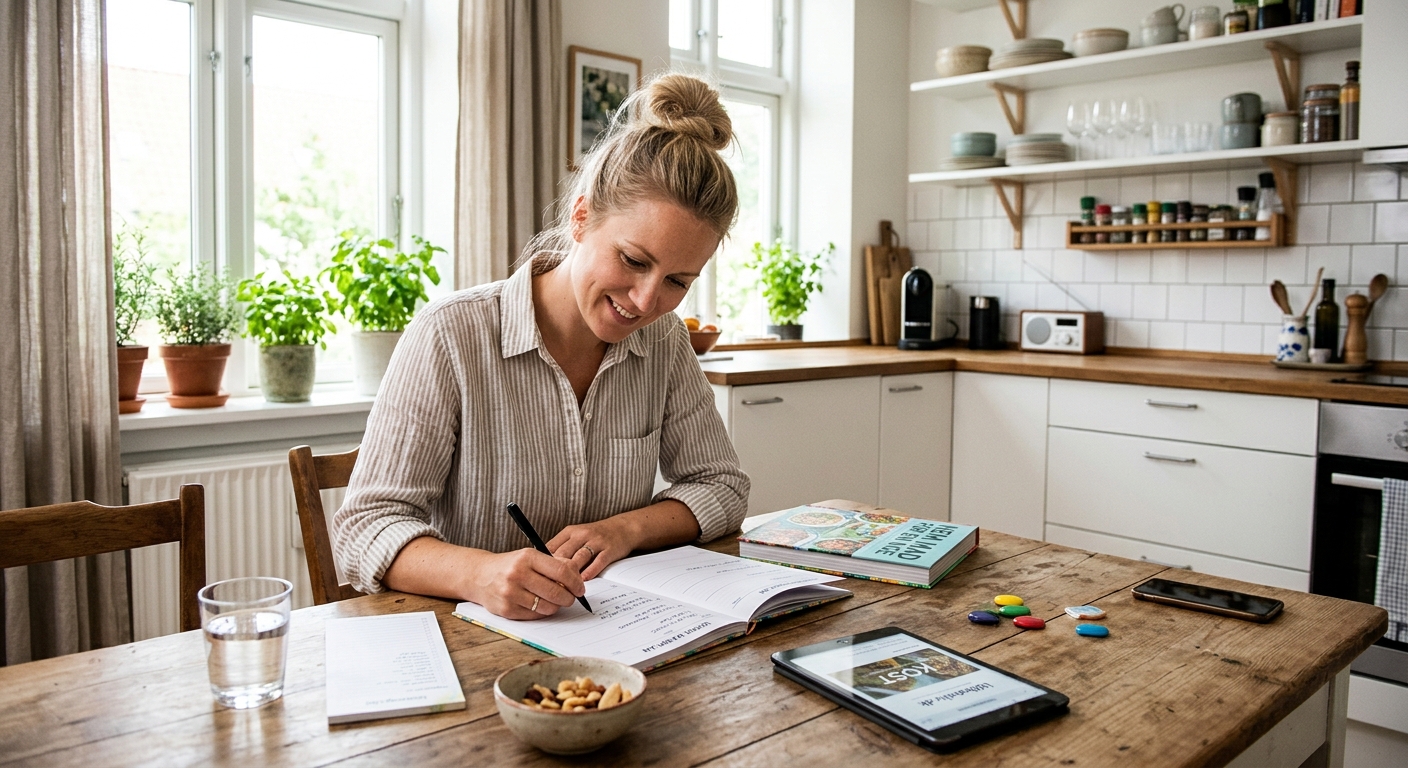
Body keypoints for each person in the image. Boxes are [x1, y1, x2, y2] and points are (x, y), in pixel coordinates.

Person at [332, 73, 750, 621]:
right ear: (581, 218)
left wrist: (625, 529)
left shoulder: (664, 341)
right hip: (475, 650)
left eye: (678, 281)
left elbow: (722, 486)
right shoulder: (451, 335)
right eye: (633, 260)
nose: (647, 301)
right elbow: (364, 528)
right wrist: (479, 574)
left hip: (613, 641)